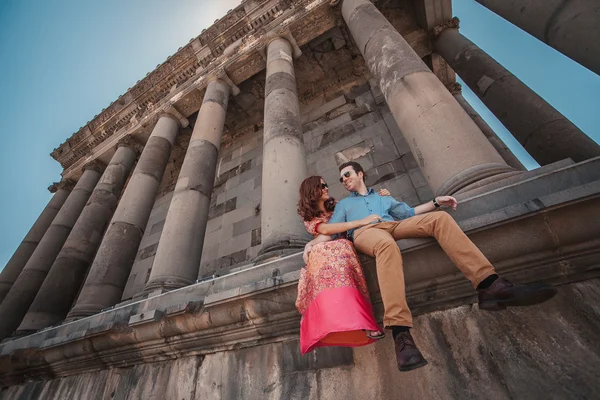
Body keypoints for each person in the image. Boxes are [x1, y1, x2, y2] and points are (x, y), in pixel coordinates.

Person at [306, 161, 557, 371]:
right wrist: (310, 245)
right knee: (386, 247)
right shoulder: (344, 206)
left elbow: (409, 213)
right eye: (340, 179)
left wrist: (436, 202)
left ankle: (489, 284)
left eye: (347, 174)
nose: (344, 180)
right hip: (366, 233)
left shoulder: (385, 197)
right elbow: (331, 231)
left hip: (392, 224)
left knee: (439, 220)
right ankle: (400, 333)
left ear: (360, 174)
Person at [296, 175, 390, 355]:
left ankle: (361, 321)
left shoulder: (339, 205)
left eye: (326, 185)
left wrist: (381, 199)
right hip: (332, 249)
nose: (326, 188)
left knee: (338, 247)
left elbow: (360, 211)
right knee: (322, 252)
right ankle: (326, 321)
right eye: (322, 186)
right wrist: (310, 245)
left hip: (349, 242)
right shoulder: (309, 216)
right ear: (312, 190)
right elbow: (326, 231)